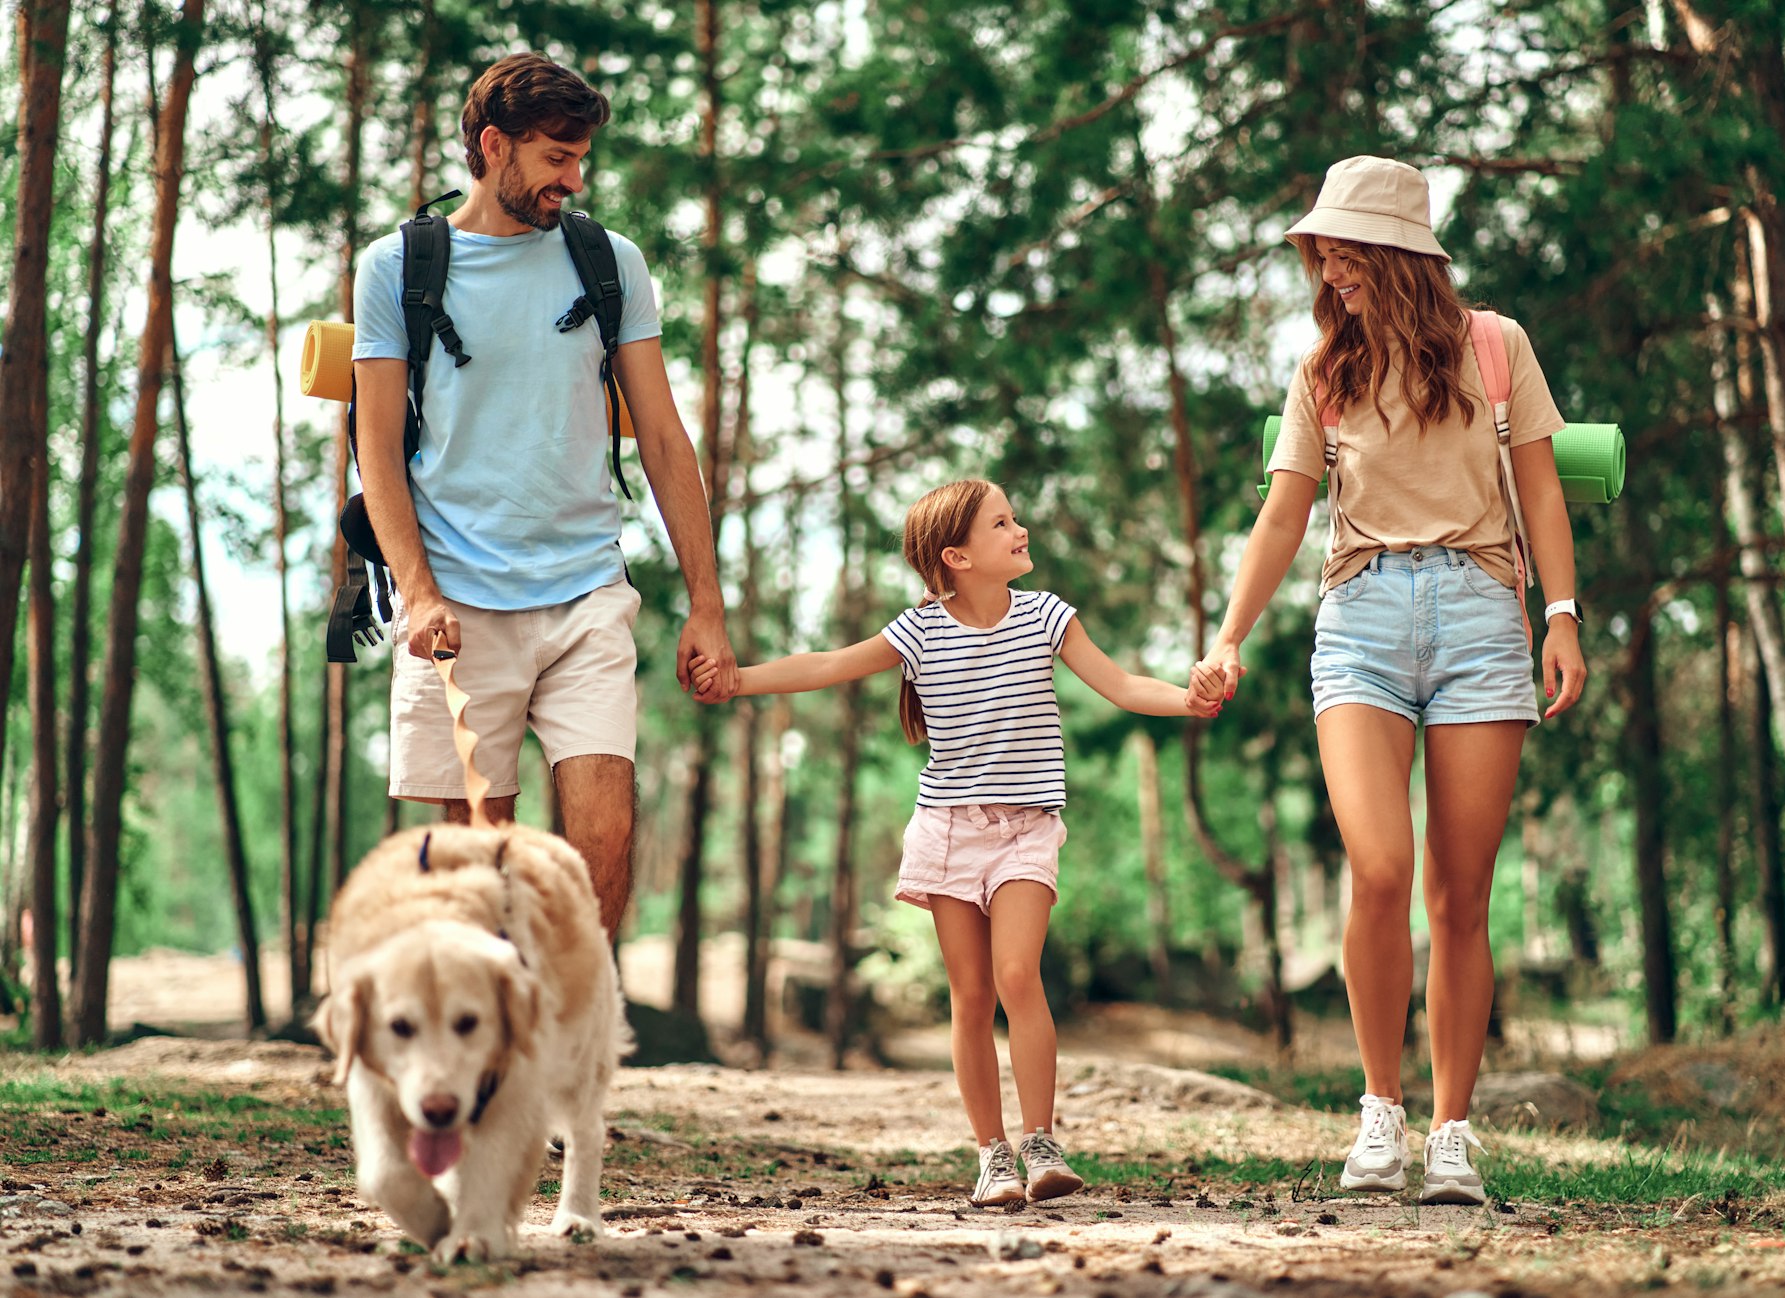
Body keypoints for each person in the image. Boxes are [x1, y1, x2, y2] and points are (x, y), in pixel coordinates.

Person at [1193, 156, 1587, 1206]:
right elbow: (1283, 512)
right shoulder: (1324, 369)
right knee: (1377, 864)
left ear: (1398, 251)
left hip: (1477, 619)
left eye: (1340, 245)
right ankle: (1379, 1111)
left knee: (1458, 895)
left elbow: (1540, 491)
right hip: (1360, 619)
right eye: (1317, 247)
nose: (1324, 262)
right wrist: (1229, 633)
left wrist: (1560, 613)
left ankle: (1451, 1131)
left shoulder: (1494, 348)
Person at [691, 479, 1224, 1206]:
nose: (1021, 529)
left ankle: (1040, 1143)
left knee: (1016, 976)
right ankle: (992, 1155)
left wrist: (1187, 700)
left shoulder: (1046, 617)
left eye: (1015, 517)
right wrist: (737, 682)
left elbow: (1123, 684)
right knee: (971, 997)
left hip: (1026, 828)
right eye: (1002, 523)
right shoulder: (917, 632)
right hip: (948, 830)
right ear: (958, 556)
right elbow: (824, 665)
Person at [351, 53, 738, 934]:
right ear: (495, 147)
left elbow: (667, 440)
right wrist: (415, 592)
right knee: (479, 869)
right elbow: (375, 448)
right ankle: (501, 1054)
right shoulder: (397, 269)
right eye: (558, 157)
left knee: (601, 839)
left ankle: (576, 1035)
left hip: (585, 590)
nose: (575, 177)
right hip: (456, 602)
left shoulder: (611, 264)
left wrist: (707, 606)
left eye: (581, 158)